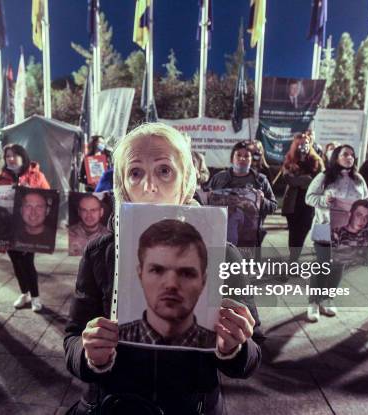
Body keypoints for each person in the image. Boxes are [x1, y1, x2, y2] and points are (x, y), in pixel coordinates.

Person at [64, 123, 261, 415]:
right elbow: (72, 338)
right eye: (135, 172)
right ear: (123, 188)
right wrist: (89, 354)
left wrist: (235, 347)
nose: (149, 185)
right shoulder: (99, 253)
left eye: (164, 170)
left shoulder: (223, 253)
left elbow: (253, 355)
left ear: (186, 182)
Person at [119, 219, 217, 349]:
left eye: (186, 273)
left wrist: (242, 349)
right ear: (140, 275)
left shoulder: (223, 346)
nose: (171, 284)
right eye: (157, 270)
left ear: (203, 281)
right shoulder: (114, 341)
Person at [305, 144, 368, 322]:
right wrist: (324, 200)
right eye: (345, 154)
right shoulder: (324, 177)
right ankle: (313, 302)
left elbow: (364, 201)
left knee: (339, 264)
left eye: (352, 155)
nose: (349, 158)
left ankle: (327, 298)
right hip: (324, 227)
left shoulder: (359, 179)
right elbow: (309, 198)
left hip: (347, 231)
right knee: (322, 264)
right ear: (336, 157)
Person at [0, 143, 50, 312]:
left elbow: (48, 196)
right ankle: (24, 293)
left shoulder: (37, 176)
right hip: (9, 229)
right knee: (16, 263)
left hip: (29, 228)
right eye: (7, 156)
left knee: (27, 262)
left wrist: (30, 193)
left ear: (22, 156)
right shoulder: (1, 177)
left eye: (14, 155)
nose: (10, 159)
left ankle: (35, 297)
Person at [209, 141, 277, 247]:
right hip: (221, 236)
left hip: (250, 239)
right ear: (232, 158)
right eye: (238, 155)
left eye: (246, 156)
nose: (242, 158)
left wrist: (262, 200)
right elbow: (205, 202)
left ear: (251, 160)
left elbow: (273, 206)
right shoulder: (219, 178)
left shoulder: (260, 180)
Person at [281, 132, 324, 262]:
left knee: (303, 229)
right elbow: (288, 179)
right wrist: (305, 180)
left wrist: (302, 180)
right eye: (300, 143)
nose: (303, 146)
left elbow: (320, 180)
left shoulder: (316, 160)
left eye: (306, 142)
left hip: (308, 203)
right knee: (293, 232)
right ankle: (293, 259)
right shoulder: (289, 159)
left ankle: (293, 258)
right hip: (293, 202)